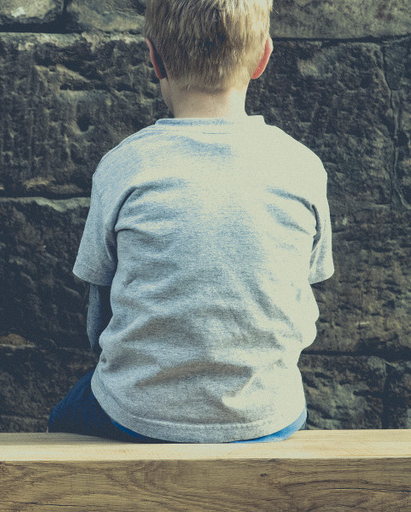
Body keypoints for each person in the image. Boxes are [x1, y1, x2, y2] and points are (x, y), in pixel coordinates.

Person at [48, 0, 333, 443]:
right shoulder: (302, 166)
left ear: (154, 57)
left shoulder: (125, 164)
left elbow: (98, 317)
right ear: (263, 56)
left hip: (136, 413)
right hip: (268, 414)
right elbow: (303, 290)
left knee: (62, 423)